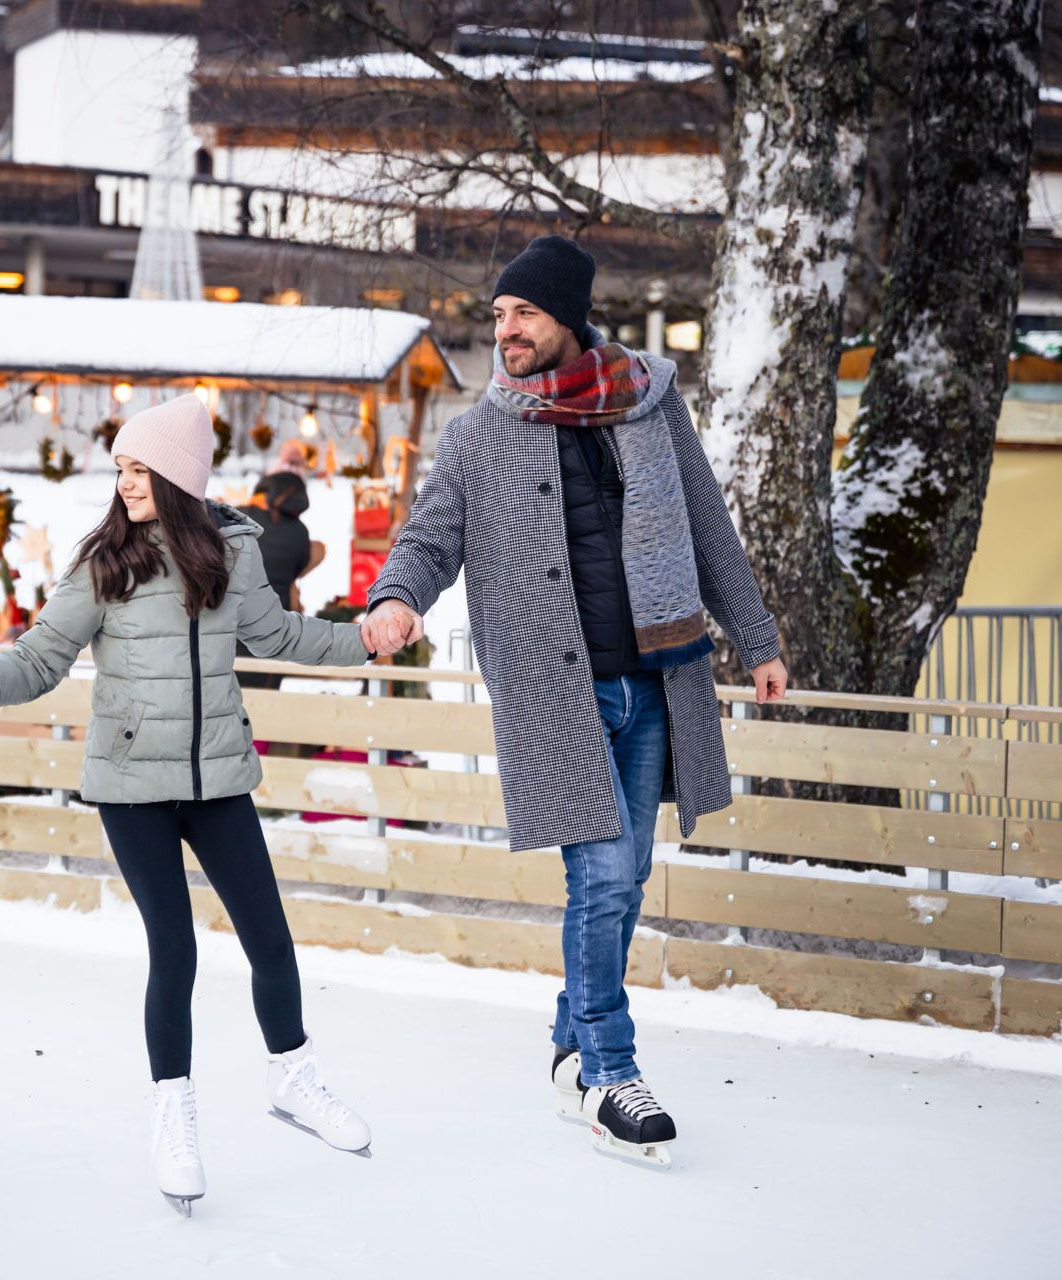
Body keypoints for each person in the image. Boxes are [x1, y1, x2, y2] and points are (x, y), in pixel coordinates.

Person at [358, 235, 791, 1170]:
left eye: (524, 315)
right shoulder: (480, 433)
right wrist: (396, 594)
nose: (505, 331)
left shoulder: (648, 403)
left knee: (627, 875)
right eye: (500, 315)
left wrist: (755, 639)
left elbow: (707, 521)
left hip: (655, 677)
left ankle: (567, 1043)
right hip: (558, 693)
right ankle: (608, 1073)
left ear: (568, 320)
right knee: (598, 879)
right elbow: (432, 535)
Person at [0, 396, 387, 1215]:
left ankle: (293, 1077)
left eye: (139, 468)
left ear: (179, 476)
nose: (125, 483)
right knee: (175, 949)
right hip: (133, 789)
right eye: (120, 468)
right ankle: (174, 1114)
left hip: (218, 778)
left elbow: (283, 638)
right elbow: (41, 658)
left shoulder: (231, 554)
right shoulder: (104, 562)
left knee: (270, 937)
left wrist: (363, 635)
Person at [235, 470, 325, 690]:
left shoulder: (238, 517)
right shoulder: (299, 533)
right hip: (271, 636)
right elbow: (312, 557)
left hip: (229, 632)